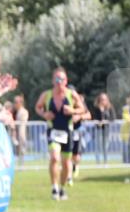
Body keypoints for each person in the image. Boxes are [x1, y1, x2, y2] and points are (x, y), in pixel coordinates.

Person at [35, 67, 82, 200]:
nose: (59, 81)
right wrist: (44, 114)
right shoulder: (47, 95)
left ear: (66, 81)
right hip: (53, 130)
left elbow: (82, 108)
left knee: (66, 163)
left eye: (61, 79)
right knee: (55, 158)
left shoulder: (71, 94)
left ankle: (62, 188)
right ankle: (54, 187)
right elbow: (37, 107)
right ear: (53, 80)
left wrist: (72, 111)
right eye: (56, 79)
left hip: (68, 131)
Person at [90, 93, 116, 164]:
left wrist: (106, 121)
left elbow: (113, 118)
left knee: (105, 146)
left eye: (104, 99)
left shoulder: (110, 107)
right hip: (98, 129)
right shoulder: (96, 108)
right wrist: (100, 111)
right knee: (97, 145)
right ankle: (98, 162)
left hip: (106, 129)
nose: (103, 101)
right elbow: (93, 117)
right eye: (101, 99)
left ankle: (105, 162)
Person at [11, 95, 29, 164]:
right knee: (16, 148)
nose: (14, 104)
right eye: (14, 102)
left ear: (20, 103)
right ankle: (17, 162)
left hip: (21, 133)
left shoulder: (23, 112)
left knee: (21, 148)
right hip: (15, 133)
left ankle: (21, 162)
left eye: (16, 102)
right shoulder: (14, 111)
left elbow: (21, 123)